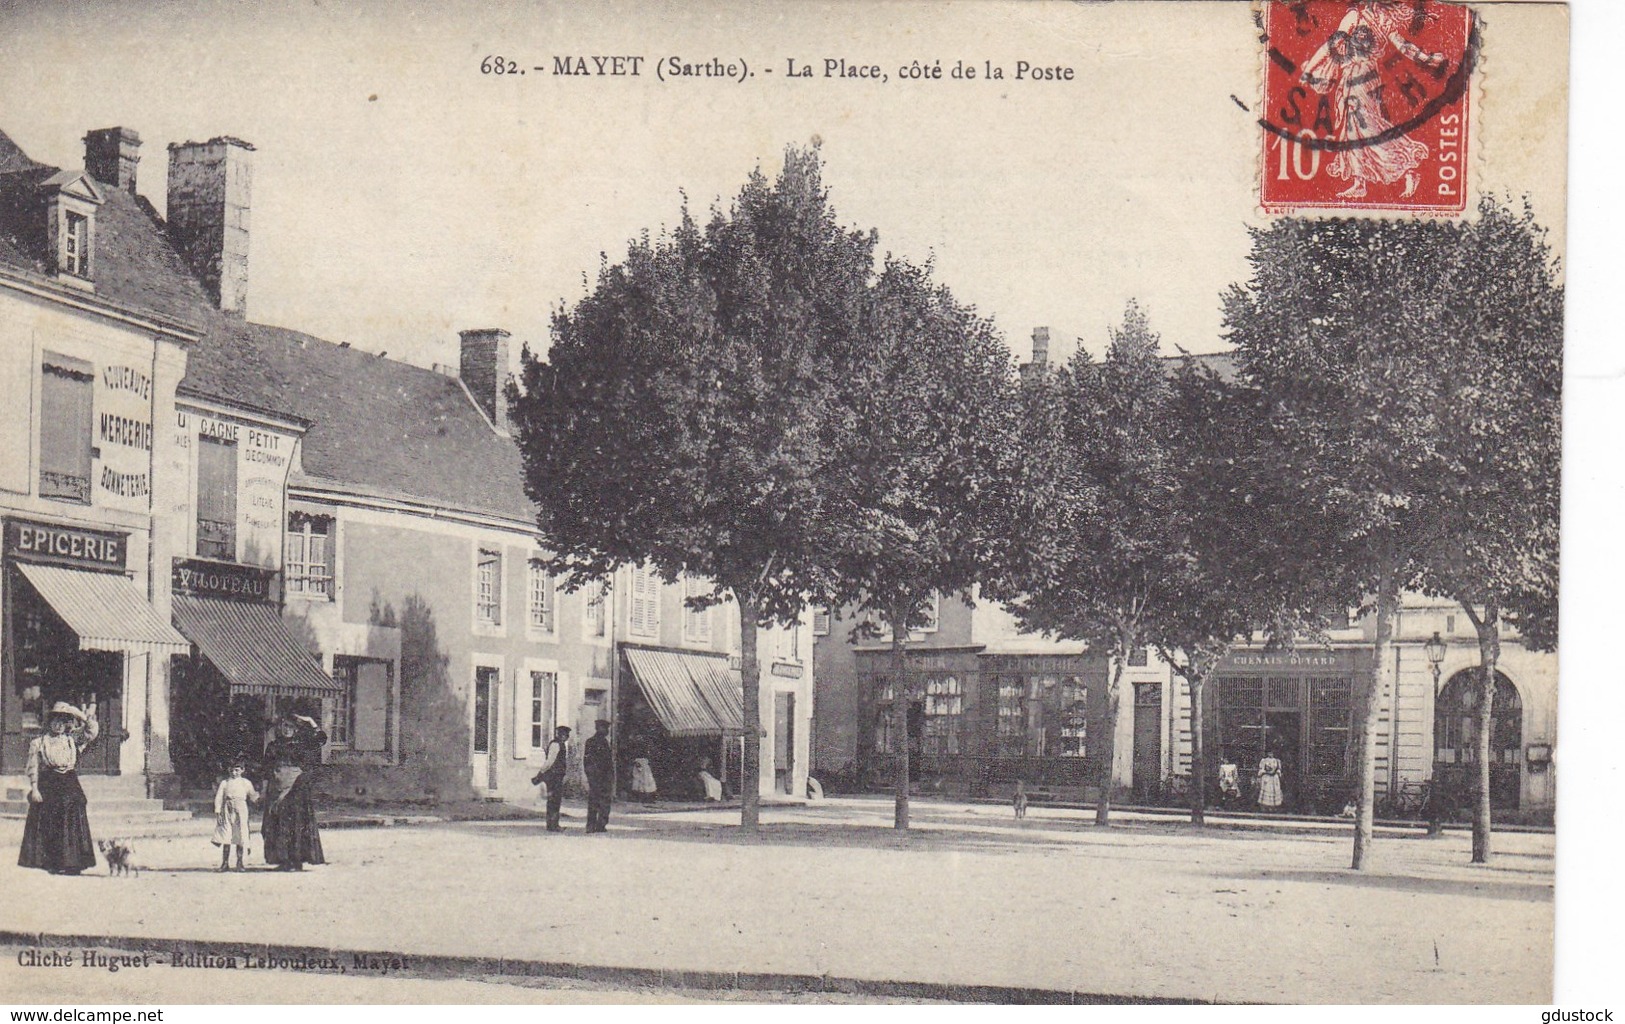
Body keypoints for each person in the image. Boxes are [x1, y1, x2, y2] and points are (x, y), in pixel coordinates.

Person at [1298, 2, 1444, 199]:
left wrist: (1309, 70)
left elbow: (1330, 47)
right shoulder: (1381, 20)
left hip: (1358, 77)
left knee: (1365, 127)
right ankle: (1360, 182)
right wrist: (1427, 58)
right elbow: (1405, 48)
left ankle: (1406, 170)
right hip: (1362, 77)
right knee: (1355, 128)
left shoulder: (1357, 17)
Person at [18, 702, 99, 875]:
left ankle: (74, 863)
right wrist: (35, 789)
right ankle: (54, 862)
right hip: (50, 782)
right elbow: (33, 767)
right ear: (49, 723)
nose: (59, 725)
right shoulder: (39, 742)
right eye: (56, 721)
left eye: (63, 721)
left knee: (74, 812)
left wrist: (79, 714)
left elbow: (92, 731)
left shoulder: (72, 739)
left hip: (70, 781)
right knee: (53, 817)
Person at [261, 712, 326, 870]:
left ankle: (296, 861)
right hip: (275, 787)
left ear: (296, 729)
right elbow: (266, 769)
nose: (287, 729)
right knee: (275, 823)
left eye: (291, 726)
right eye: (284, 726)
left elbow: (321, 740)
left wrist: (311, 721)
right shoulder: (273, 746)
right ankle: (283, 860)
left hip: (296, 789)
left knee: (295, 824)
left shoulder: (301, 744)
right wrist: (263, 790)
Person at [212, 757, 260, 872]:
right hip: (227, 809)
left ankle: (240, 863)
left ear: (242, 770)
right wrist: (218, 811)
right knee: (226, 835)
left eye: (237, 770)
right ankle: (225, 863)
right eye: (232, 770)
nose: (234, 773)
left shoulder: (246, 783)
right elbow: (219, 797)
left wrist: (259, 797)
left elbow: (253, 796)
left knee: (241, 834)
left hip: (241, 809)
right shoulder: (225, 783)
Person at [531, 725, 571, 831]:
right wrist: (541, 772)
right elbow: (549, 761)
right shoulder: (555, 745)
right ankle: (553, 825)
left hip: (557, 776)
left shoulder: (560, 744)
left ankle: (553, 824)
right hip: (554, 776)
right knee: (554, 800)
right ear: (562, 735)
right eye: (566, 735)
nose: (567, 738)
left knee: (555, 800)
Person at [583, 719, 614, 833]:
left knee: (600, 801)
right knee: (597, 801)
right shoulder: (591, 742)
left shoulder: (604, 742)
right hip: (597, 777)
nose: (607, 731)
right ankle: (593, 825)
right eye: (605, 728)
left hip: (603, 777)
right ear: (598, 728)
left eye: (607, 729)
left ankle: (599, 825)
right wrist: (591, 776)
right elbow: (587, 761)